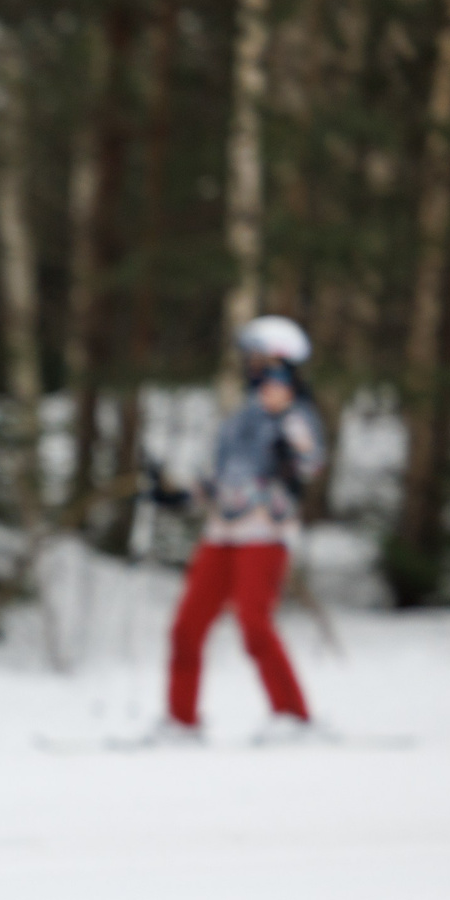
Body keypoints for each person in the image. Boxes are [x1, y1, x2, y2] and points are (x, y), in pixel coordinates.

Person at [153, 315, 327, 742]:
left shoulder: (297, 413)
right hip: (222, 532)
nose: (251, 366)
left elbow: (310, 461)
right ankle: (181, 721)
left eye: (259, 358)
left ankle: (293, 717)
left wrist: (289, 432)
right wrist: (178, 494)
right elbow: (221, 475)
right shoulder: (240, 417)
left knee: (254, 624)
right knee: (186, 627)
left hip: (265, 532)